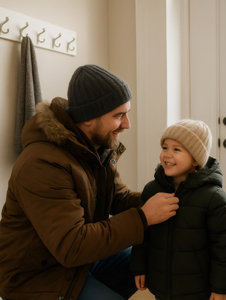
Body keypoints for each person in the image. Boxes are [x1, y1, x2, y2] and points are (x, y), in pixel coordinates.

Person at [0, 64, 179, 300]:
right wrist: (144, 216)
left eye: (127, 113)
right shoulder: (42, 164)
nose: (127, 124)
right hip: (36, 277)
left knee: (154, 257)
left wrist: (172, 196)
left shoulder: (93, 148)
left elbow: (118, 198)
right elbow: (72, 245)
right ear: (87, 119)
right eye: (118, 115)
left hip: (80, 262)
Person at [130, 119, 226, 300]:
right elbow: (142, 236)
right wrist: (139, 267)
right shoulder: (152, 190)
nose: (167, 155)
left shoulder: (213, 197)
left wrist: (220, 288)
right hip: (161, 283)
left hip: (197, 287)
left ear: (196, 159)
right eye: (165, 147)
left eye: (176, 149)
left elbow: (225, 247)